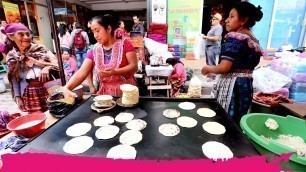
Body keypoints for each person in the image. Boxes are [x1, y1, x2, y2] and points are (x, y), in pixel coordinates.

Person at [201, 2, 263, 124]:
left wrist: (208, 68)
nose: (227, 20)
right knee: (238, 120)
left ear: (243, 20)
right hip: (246, 85)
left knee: (225, 121)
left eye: (232, 16)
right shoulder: (253, 40)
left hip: (232, 86)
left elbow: (224, 67)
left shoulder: (235, 38)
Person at [63, 14, 138, 97]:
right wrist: (67, 87)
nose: (95, 35)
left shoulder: (125, 44)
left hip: (127, 93)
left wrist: (115, 72)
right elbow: (82, 72)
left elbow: (134, 66)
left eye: (97, 30)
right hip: (105, 95)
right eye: (93, 31)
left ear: (109, 29)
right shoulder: (94, 50)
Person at [4, 23, 59, 112]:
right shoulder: (12, 56)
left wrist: (47, 67)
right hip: (29, 94)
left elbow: (56, 64)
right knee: (38, 118)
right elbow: (14, 79)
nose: (26, 37)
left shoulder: (41, 49)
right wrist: (18, 97)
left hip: (49, 88)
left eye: (28, 34)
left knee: (55, 112)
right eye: (21, 34)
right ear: (11, 37)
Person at [201, 13, 223, 81]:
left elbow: (216, 38)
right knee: (208, 62)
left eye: (213, 19)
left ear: (217, 20)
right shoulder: (214, 27)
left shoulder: (218, 27)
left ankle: (212, 77)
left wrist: (205, 37)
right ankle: (210, 75)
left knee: (211, 63)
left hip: (212, 47)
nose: (212, 20)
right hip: (209, 47)